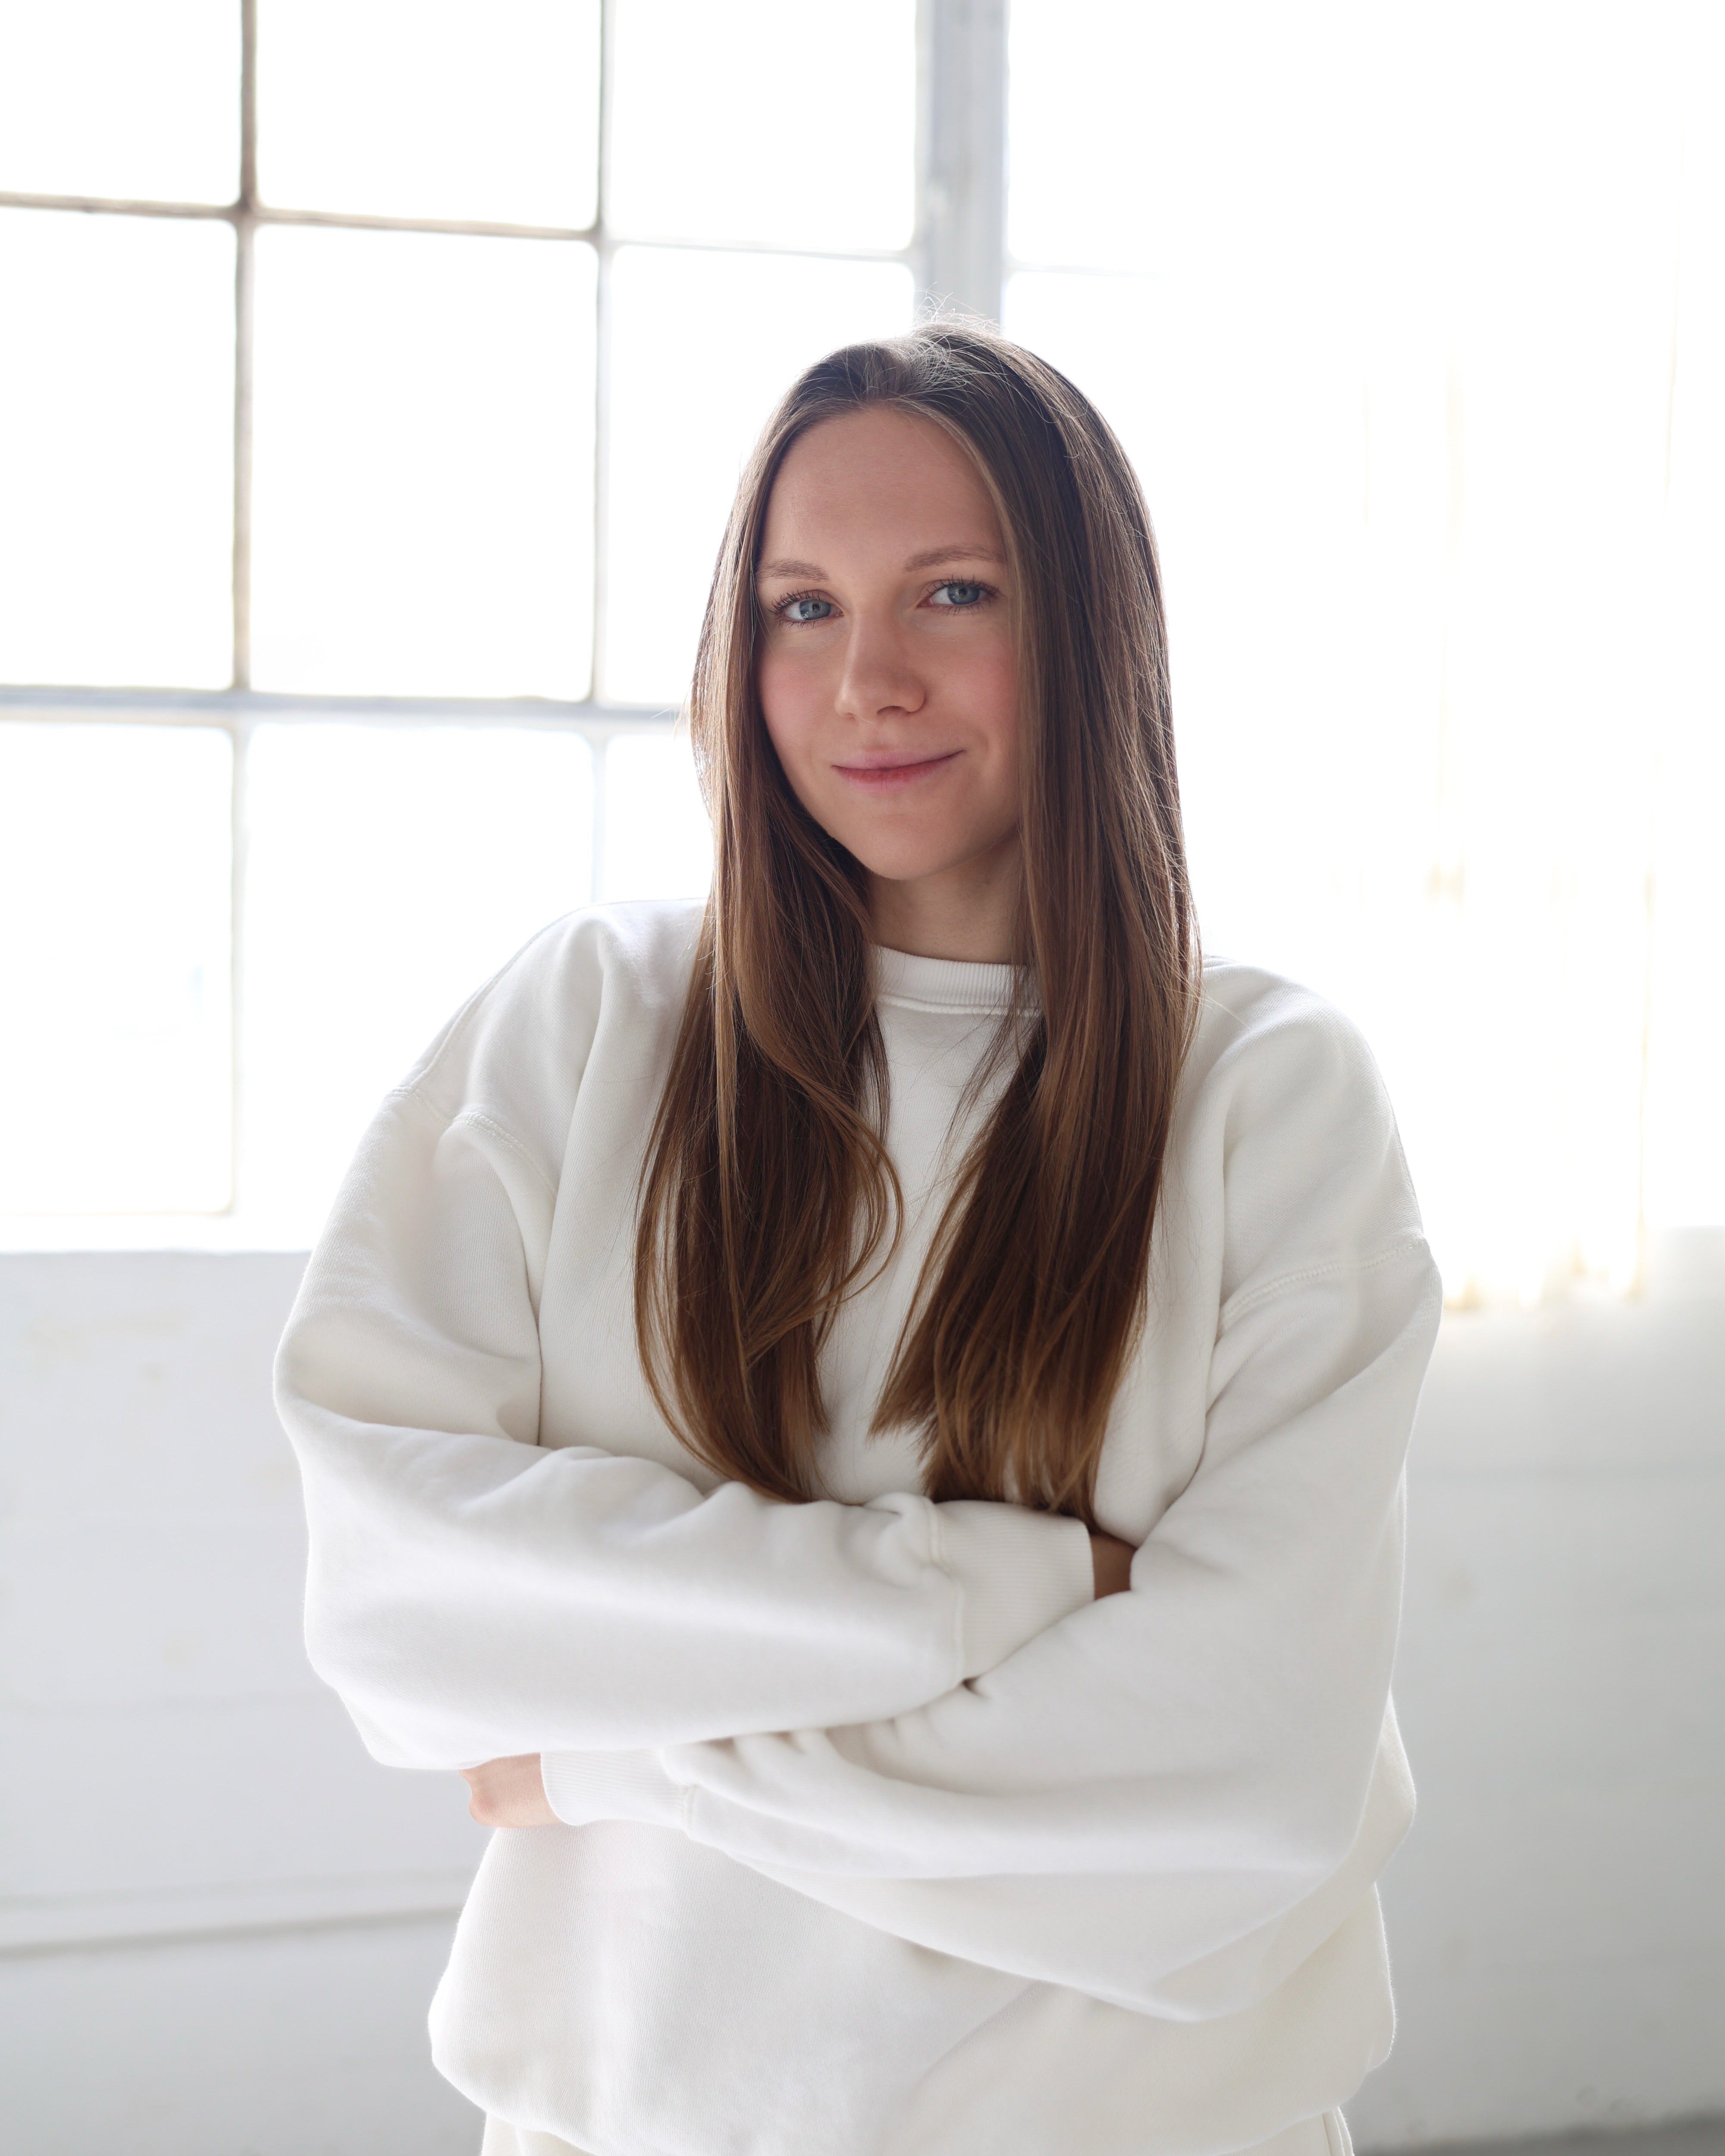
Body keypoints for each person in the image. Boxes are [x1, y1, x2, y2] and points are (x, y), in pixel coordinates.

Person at [277, 322, 1440, 2156]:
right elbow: (405, 1606)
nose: (865, 679)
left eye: (951, 592)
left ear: (1090, 630)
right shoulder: (588, 1023)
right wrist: (1028, 1584)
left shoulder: (1267, 1092)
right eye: (801, 605)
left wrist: (607, 1749)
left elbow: (1239, 1774)